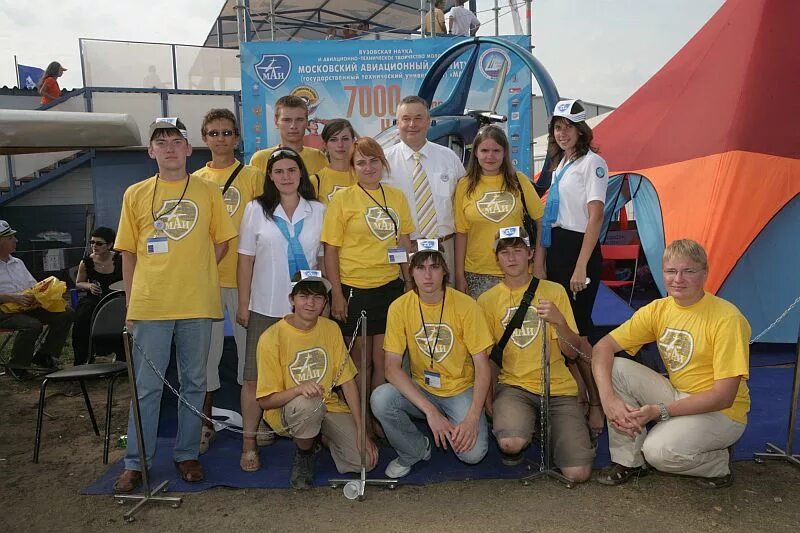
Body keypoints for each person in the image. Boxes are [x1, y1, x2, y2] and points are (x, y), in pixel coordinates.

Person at [113, 118, 237, 493]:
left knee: (195, 382)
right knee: (146, 388)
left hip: (197, 303)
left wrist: (193, 269)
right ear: (151, 151)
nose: (168, 147)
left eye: (175, 141)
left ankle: (187, 454)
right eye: (161, 141)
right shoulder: (134, 193)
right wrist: (131, 305)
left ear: (188, 149)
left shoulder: (208, 191)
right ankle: (137, 461)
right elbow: (129, 255)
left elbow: (221, 243)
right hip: (150, 307)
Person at [592, 239, 750, 489]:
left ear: (705, 273)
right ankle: (629, 461)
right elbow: (602, 347)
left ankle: (717, 463)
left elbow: (724, 397)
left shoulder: (727, 318)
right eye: (671, 271)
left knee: (659, 453)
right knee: (615, 368)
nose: (678, 279)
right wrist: (608, 400)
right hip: (677, 394)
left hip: (720, 412)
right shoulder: (658, 309)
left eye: (688, 271)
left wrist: (660, 411)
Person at [477, 227, 595, 481]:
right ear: (496, 259)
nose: (511, 258)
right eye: (505, 252)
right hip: (515, 387)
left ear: (530, 254)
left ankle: (552, 432)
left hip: (558, 387)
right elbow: (485, 357)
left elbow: (572, 351)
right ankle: (529, 427)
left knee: (578, 474)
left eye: (518, 251)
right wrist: (488, 397)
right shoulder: (486, 301)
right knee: (510, 442)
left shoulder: (554, 291)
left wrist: (559, 321)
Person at [237, 147, 325, 472]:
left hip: (308, 308)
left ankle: (309, 440)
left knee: (307, 373)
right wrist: (244, 302)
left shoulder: (318, 210)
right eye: (279, 172)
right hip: (265, 305)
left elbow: (323, 260)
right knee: (253, 378)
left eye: (291, 170)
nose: (286, 177)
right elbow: (245, 258)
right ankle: (248, 443)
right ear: (270, 178)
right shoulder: (255, 210)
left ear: (301, 173)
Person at [372, 244, 492, 478]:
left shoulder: (466, 305)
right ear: (411, 272)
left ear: (444, 272)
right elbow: (391, 368)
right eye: (420, 268)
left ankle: (455, 420)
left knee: (473, 454)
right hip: (421, 387)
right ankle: (414, 450)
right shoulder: (399, 307)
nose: (427, 275)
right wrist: (430, 412)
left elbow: (482, 365)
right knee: (381, 398)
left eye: (434, 267)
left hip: (459, 388)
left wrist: (472, 418)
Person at [322, 137, 414, 437]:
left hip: (390, 288)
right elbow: (331, 250)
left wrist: (409, 280)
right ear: (352, 167)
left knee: (384, 361)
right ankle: (360, 424)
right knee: (360, 363)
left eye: (374, 160)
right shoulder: (342, 200)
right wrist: (336, 293)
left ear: (383, 163)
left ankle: (378, 419)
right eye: (361, 162)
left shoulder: (397, 197)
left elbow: (403, 242)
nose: (368, 166)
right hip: (355, 289)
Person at [256, 271, 378, 489]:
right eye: (304, 296)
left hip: (328, 406)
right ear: (292, 300)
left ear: (325, 303)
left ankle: (321, 438)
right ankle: (304, 453)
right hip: (291, 408)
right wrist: (298, 389)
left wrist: (362, 430)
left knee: (365, 461)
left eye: (318, 297)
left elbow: (348, 382)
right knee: (308, 402)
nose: (310, 303)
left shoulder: (330, 329)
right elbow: (265, 401)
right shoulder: (270, 338)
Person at [193, 108, 265, 455]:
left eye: (227, 132)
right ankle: (205, 425)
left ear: (237, 138)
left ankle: (255, 426)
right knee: (206, 358)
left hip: (247, 280)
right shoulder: (194, 181)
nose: (221, 138)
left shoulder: (253, 176)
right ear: (204, 138)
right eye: (214, 132)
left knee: (252, 359)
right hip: (207, 281)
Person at [454, 125, 544, 299]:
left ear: (505, 153)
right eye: (484, 150)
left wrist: (539, 264)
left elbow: (542, 222)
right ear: (476, 153)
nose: (490, 156)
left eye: (496, 150)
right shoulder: (464, 185)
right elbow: (461, 233)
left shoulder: (519, 181)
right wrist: (459, 275)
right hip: (478, 274)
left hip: (518, 271)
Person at [383, 95, 465, 276]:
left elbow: (463, 202)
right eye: (406, 119)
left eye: (418, 118)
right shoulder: (383, 162)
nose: (412, 124)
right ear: (397, 123)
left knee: (447, 302)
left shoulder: (449, 157)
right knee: (406, 302)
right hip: (403, 249)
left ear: (428, 122)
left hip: (445, 247)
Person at [0, 220, 74, 380]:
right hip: (3, 311)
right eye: (11, 237)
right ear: (1, 241)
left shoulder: (17, 263)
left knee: (65, 313)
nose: (16, 240)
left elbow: (33, 285)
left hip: (26, 307)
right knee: (31, 325)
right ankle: (17, 366)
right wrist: (11, 297)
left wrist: (43, 295)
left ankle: (45, 355)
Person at [72, 226, 123, 366]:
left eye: (99, 243)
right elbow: (79, 283)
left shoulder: (120, 260)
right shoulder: (86, 262)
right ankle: (82, 358)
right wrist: (89, 286)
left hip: (116, 297)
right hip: (95, 298)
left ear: (110, 245)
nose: (94, 246)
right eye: (92, 242)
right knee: (83, 315)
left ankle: (122, 356)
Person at [249, 95, 328, 176]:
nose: (293, 126)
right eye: (287, 120)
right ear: (276, 122)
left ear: (306, 122)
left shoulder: (318, 158)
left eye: (299, 120)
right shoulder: (260, 159)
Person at [311, 119, 357, 206]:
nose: (340, 145)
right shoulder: (315, 182)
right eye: (333, 139)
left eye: (345, 139)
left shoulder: (365, 175)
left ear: (353, 142)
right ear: (325, 145)